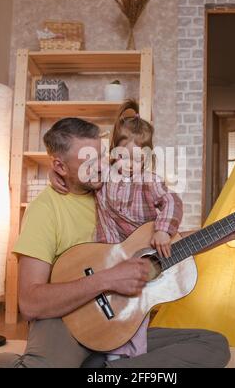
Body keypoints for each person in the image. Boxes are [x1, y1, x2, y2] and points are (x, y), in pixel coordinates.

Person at [0, 117, 235, 368]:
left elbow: (165, 245)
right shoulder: (46, 209)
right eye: (87, 161)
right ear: (59, 166)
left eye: (102, 155)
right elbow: (31, 303)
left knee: (213, 346)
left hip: (117, 324)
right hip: (64, 320)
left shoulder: (116, 187)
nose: (101, 166)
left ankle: (101, 369)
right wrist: (108, 279)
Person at [49, 100, 183, 360]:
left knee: (137, 308)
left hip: (139, 256)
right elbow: (78, 174)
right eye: (124, 156)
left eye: (138, 158)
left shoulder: (149, 181)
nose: (131, 164)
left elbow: (172, 201)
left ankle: (130, 356)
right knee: (103, 303)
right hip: (108, 256)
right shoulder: (104, 176)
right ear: (112, 153)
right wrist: (56, 174)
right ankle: (105, 345)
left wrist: (164, 230)